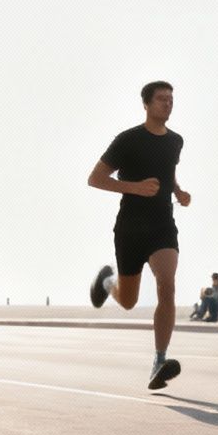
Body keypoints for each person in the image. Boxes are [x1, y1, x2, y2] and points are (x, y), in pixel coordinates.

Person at [85, 80, 191, 390]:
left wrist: (178, 190)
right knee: (129, 301)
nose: (167, 104)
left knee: (166, 284)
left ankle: (159, 360)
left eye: (171, 99)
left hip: (162, 226)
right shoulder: (127, 140)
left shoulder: (176, 141)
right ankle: (107, 283)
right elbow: (95, 178)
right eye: (161, 99)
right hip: (130, 229)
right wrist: (135, 187)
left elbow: (167, 170)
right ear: (146, 104)